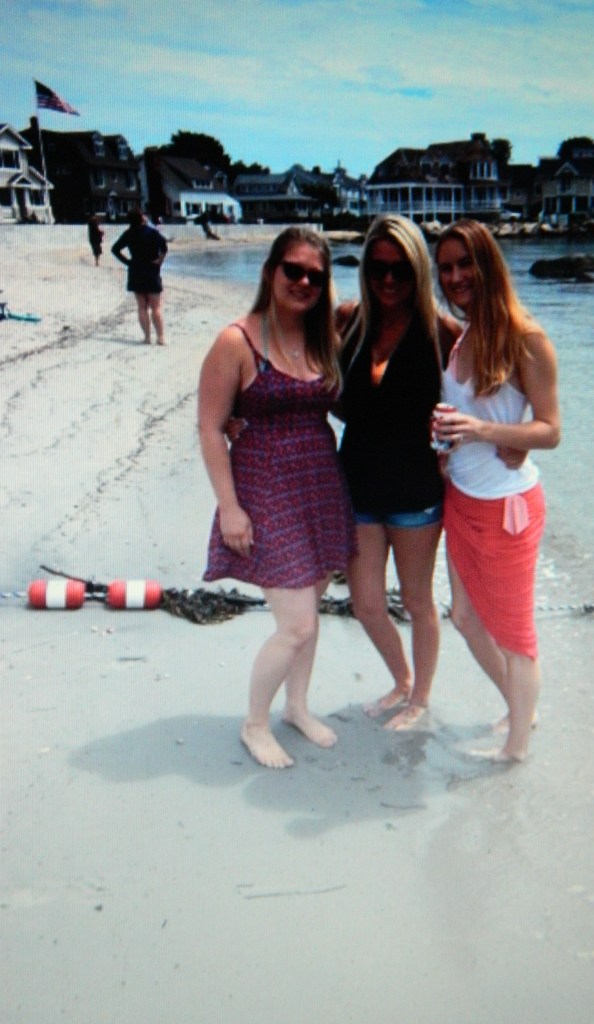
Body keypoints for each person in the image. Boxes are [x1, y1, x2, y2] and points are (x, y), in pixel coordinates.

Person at [199, 227, 356, 769]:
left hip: (320, 487)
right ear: (271, 272)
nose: (304, 282)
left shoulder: (323, 338)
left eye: (316, 275)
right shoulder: (236, 341)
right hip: (265, 491)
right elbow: (210, 428)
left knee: (310, 611)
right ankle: (255, 723)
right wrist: (229, 507)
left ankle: (297, 707)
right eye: (294, 270)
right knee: (296, 625)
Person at [433, 219, 561, 762]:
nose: (456, 276)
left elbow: (550, 430)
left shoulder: (525, 337)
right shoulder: (462, 334)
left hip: (508, 506)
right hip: (461, 498)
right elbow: (469, 411)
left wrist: (487, 432)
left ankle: (516, 749)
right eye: (446, 268)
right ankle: (519, 705)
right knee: (463, 618)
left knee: (515, 635)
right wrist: (445, 439)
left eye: (466, 263)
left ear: (489, 264)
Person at [336, 215, 461, 730]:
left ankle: (420, 698)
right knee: (366, 604)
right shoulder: (349, 321)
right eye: (378, 268)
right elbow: (299, 366)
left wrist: (508, 445)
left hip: (415, 491)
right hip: (357, 486)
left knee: (416, 601)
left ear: (418, 270)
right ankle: (402, 679)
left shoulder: (443, 333)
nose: (389, 280)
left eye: (401, 269)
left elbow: (491, 389)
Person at [111, 207, 168, 345]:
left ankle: (147, 338)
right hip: (151, 269)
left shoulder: (128, 233)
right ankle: (160, 337)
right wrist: (159, 261)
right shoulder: (152, 232)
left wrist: (128, 262)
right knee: (156, 307)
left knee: (142, 307)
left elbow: (115, 249)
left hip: (135, 269)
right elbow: (164, 247)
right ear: (142, 218)